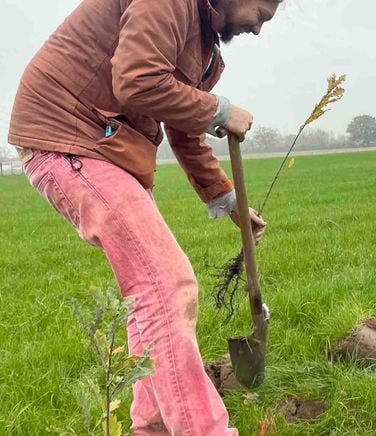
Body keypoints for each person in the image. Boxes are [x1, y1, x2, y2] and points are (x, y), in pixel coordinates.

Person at [7, 0, 280, 434]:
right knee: (167, 286)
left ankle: (151, 426)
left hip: (104, 145)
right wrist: (220, 109)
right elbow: (138, 81)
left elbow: (183, 129)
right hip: (72, 136)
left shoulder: (203, 42)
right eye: (261, 15)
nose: (258, 29)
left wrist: (229, 202)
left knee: (147, 298)